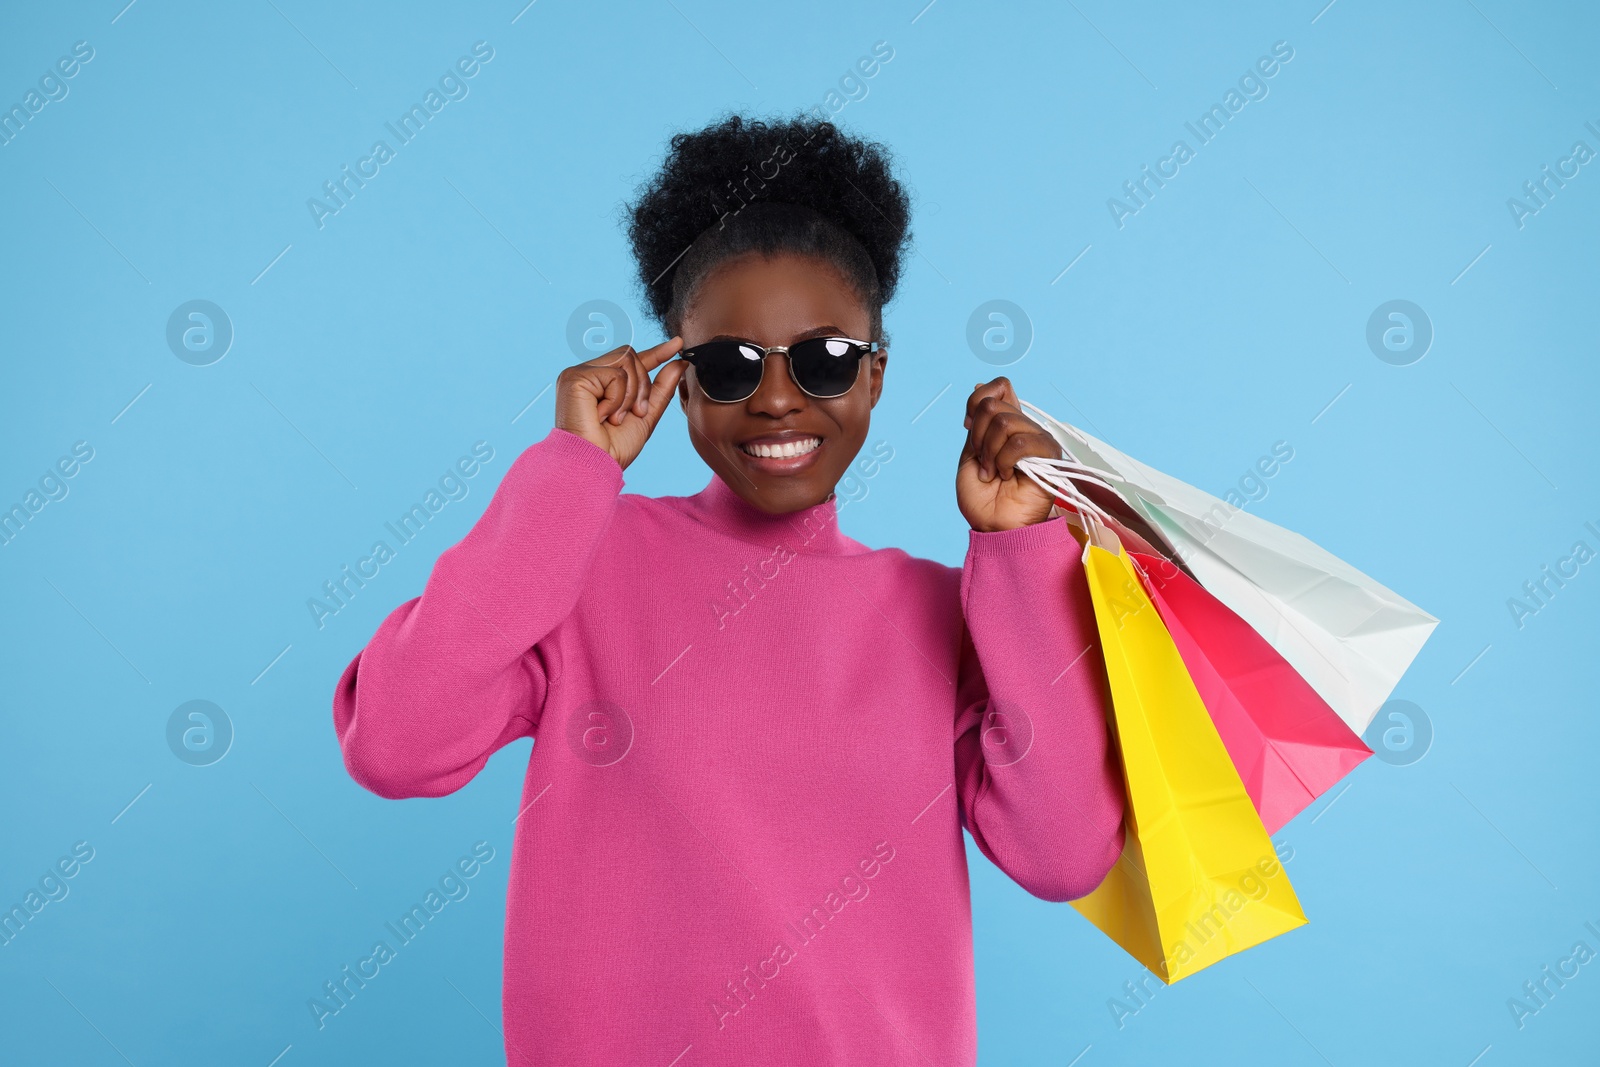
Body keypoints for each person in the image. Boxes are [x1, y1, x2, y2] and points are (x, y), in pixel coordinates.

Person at [333, 112, 1125, 1066]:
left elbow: (1063, 854)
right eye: (728, 364)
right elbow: (394, 741)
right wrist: (568, 475)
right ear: (677, 377)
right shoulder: (583, 558)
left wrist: (1020, 557)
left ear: (876, 378)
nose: (779, 398)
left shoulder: (943, 611)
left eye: (827, 358)